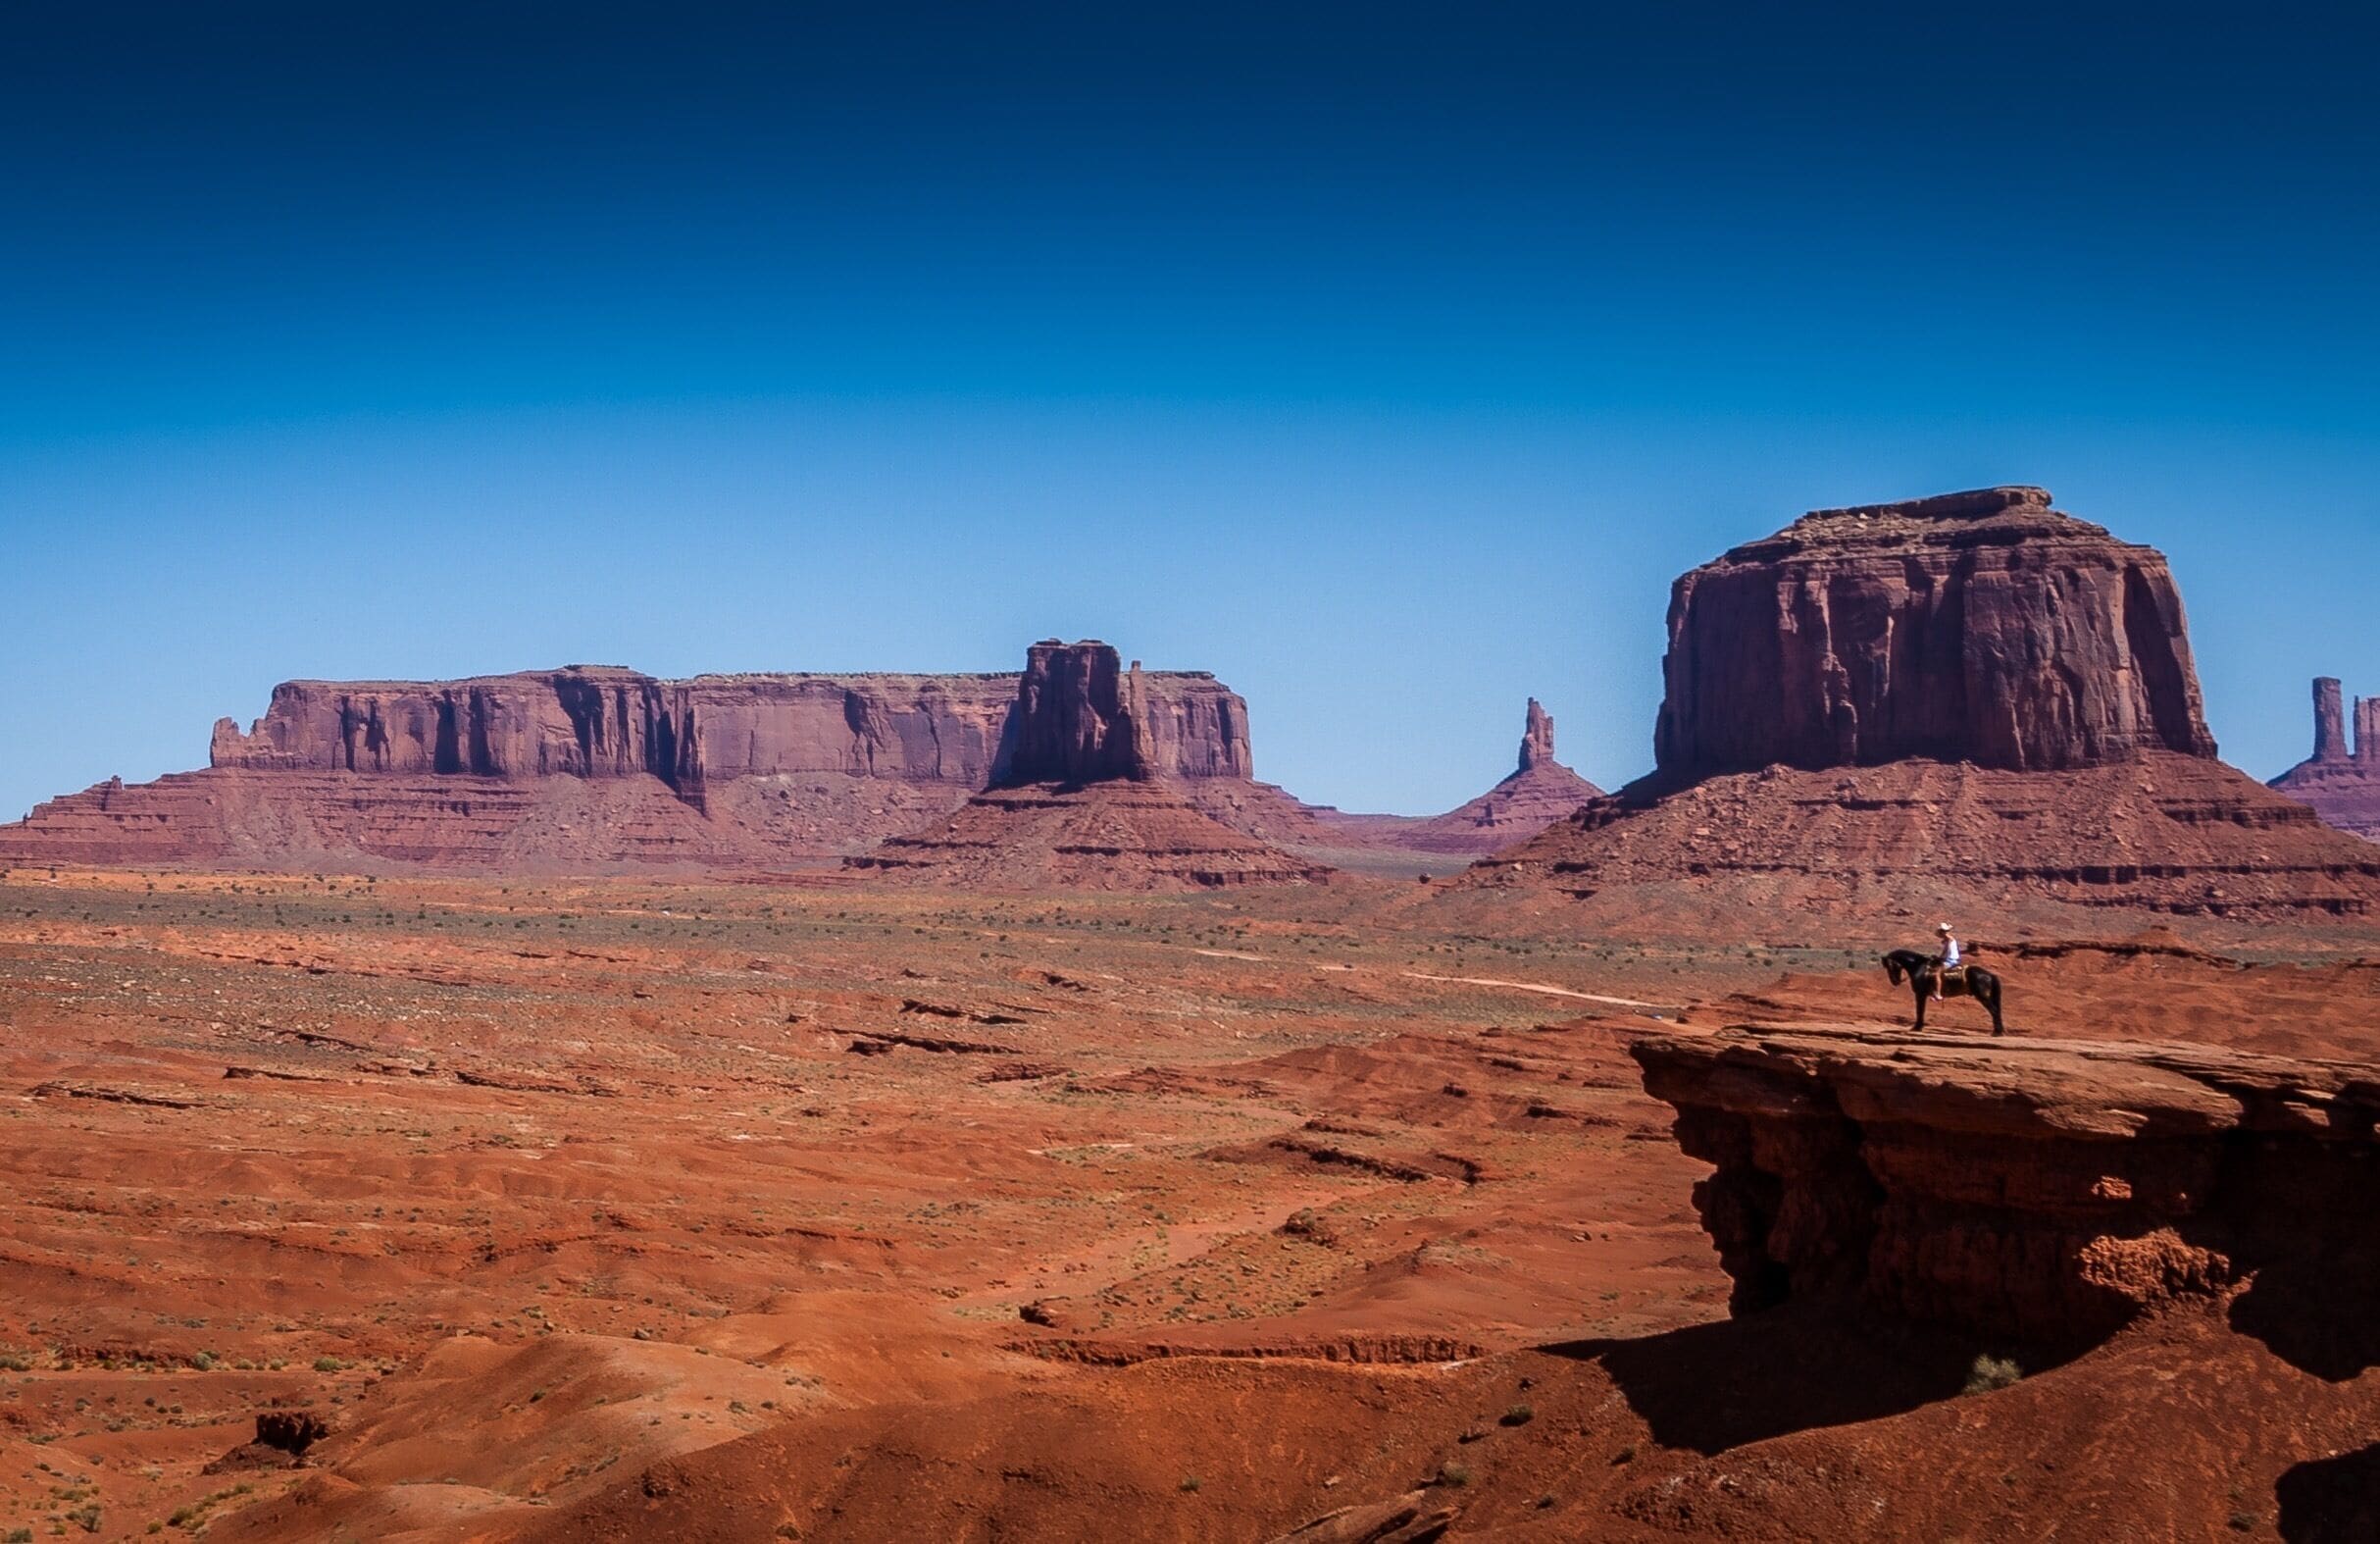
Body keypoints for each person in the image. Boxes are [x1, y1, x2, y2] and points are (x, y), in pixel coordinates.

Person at [1933, 922, 1961, 1002]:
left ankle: (1938, 994)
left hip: (1950, 960)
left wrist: (1940, 958)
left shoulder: (1949, 939)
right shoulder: (1948, 939)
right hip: (1952, 959)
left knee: (1937, 973)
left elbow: (1947, 951)